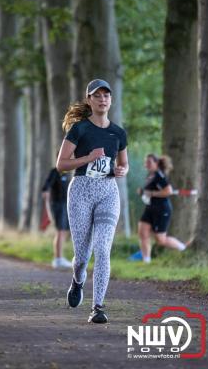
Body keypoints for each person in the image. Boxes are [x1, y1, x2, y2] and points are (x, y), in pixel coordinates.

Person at [56, 78, 129, 324]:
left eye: (106, 95)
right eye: (97, 95)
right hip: (81, 193)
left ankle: (97, 307)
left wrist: (122, 171)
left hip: (108, 192)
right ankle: (77, 280)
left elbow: (124, 163)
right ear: (89, 99)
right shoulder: (79, 130)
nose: (102, 99)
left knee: (102, 249)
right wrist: (87, 157)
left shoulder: (118, 132)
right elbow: (61, 164)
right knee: (83, 256)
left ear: (111, 100)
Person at [137, 153, 189, 263]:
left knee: (160, 240)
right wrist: (143, 193)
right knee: (142, 232)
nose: (147, 164)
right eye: (146, 162)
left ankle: (183, 248)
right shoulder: (150, 175)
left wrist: (150, 193)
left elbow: (168, 191)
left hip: (162, 209)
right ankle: (146, 261)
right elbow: (149, 192)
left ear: (156, 163)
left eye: (149, 162)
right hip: (150, 208)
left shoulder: (159, 175)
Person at [42, 167, 72, 269]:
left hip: (66, 204)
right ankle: (58, 259)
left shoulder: (67, 173)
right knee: (60, 231)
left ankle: (60, 257)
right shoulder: (55, 171)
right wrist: (45, 190)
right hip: (57, 204)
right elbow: (47, 184)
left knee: (64, 231)